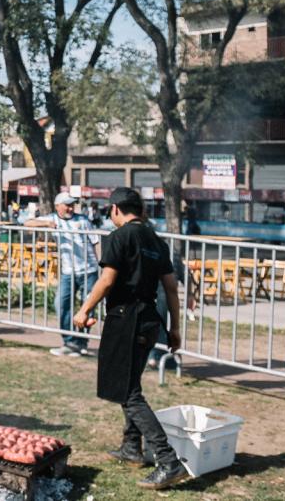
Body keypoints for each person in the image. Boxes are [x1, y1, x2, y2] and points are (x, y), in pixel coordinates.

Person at [74, 187, 189, 490]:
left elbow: (107, 280)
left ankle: (168, 461)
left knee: (127, 392)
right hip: (150, 320)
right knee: (130, 383)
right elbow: (171, 288)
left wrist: (84, 310)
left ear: (115, 209)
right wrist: (175, 328)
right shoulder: (156, 240)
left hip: (126, 319)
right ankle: (131, 447)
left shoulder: (120, 237)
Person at [26, 192, 100, 357]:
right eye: (67, 205)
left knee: (87, 308)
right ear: (57, 206)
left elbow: (96, 242)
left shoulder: (83, 221)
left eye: (72, 205)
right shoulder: (52, 218)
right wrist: (46, 224)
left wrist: (101, 265)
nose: (70, 208)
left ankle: (81, 343)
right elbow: (27, 222)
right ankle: (69, 341)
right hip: (68, 272)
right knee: (61, 304)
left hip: (89, 270)